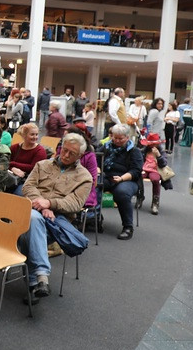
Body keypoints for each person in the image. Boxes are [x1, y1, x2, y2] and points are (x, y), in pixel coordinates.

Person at [22, 133, 92, 301]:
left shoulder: (84, 177)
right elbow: (28, 187)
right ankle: (40, 278)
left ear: (80, 156)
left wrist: (51, 204)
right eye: (64, 150)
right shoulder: (42, 165)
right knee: (34, 218)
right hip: (31, 213)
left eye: (71, 153)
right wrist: (41, 203)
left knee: (27, 235)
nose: (66, 155)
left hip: (56, 224)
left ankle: (34, 281)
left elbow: (75, 203)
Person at [101, 124, 143, 240]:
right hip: (107, 177)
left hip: (127, 179)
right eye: (115, 138)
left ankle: (128, 227)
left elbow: (136, 171)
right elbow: (96, 160)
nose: (117, 141)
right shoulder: (105, 147)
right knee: (91, 186)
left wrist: (121, 178)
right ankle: (92, 218)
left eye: (120, 138)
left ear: (127, 137)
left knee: (122, 192)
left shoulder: (134, 151)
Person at [9, 123, 48, 191]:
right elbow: (4, 162)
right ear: (24, 135)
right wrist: (12, 168)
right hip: (12, 176)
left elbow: (33, 167)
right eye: (32, 134)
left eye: (36, 134)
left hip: (30, 181)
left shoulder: (40, 151)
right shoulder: (15, 148)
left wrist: (12, 164)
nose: (35, 137)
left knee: (17, 194)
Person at [139, 132, 170, 215]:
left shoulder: (161, 151)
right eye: (150, 144)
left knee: (156, 179)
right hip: (144, 168)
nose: (152, 146)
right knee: (137, 176)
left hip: (155, 170)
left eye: (154, 144)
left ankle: (155, 202)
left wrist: (158, 155)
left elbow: (164, 164)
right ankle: (140, 196)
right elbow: (139, 160)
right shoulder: (144, 150)